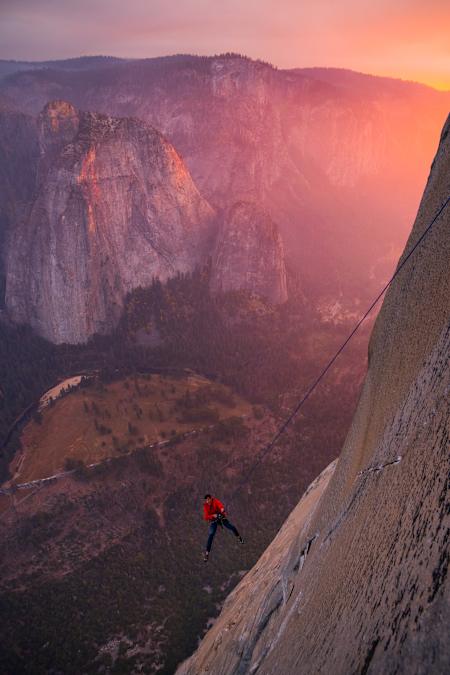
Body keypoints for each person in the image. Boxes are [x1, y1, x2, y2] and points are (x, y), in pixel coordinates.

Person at [203, 494, 244, 562]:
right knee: (211, 535)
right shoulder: (206, 506)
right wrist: (213, 515)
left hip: (221, 517)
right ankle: (207, 553)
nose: (207, 501)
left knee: (232, 527)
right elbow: (206, 517)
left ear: (211, 499)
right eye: (206, 500)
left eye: (208, 499)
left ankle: (239, 538)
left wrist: (222, 510)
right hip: (214, 520)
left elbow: (220, 506)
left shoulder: (215, 501)